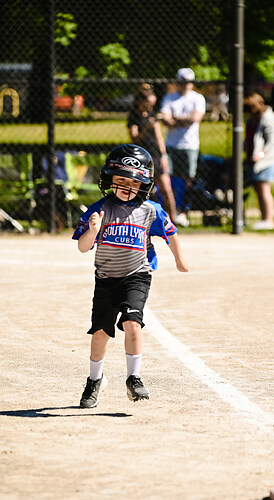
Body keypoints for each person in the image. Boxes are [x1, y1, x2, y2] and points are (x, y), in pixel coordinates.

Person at [72, 144, 188, 408]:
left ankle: (133, 377)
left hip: (137, 276)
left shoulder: (151, 210)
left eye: (133, 182)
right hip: (106, 279)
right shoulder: (100, 209)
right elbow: (82, 247)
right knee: (101, 332)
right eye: (120, 180)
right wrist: (92, 230)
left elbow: (171, 234)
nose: (126, 186)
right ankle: (94, 380)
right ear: (108, 181)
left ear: (143, 185)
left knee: (132, 323)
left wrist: (180, 261)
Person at [161, 68, 206, 227]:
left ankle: (184, 212)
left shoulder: (198, 98)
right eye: (182, 82)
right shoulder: (169, 98)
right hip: (171, 145)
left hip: (190, 145)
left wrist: (175, 120)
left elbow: (195, 118)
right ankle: (171, 212)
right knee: (169, 179)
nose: (186, 85)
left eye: (188, 82)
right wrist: (183, 120)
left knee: (189, 179)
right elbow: (165, 120)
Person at [127, 84, 177, 223]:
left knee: (166, 188)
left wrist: (163, 155)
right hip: (142, 158)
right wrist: (146, 127)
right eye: (147, 103)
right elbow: (134, 139)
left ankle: (173, 218)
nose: (149, 107)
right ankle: (138, 218)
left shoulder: (152, 116)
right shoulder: (134, 118)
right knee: (141, 189)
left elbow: (159, 138)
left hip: (156, 155)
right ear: (140, 102)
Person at [244, 92, 274, 230]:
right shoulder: (252, 120)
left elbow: (272, 141)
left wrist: (260, 154)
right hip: (254, 161)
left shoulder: (268, 118)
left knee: (264, 189)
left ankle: (269, 219)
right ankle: (263, 218)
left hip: (267, 160)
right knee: (258, 189)